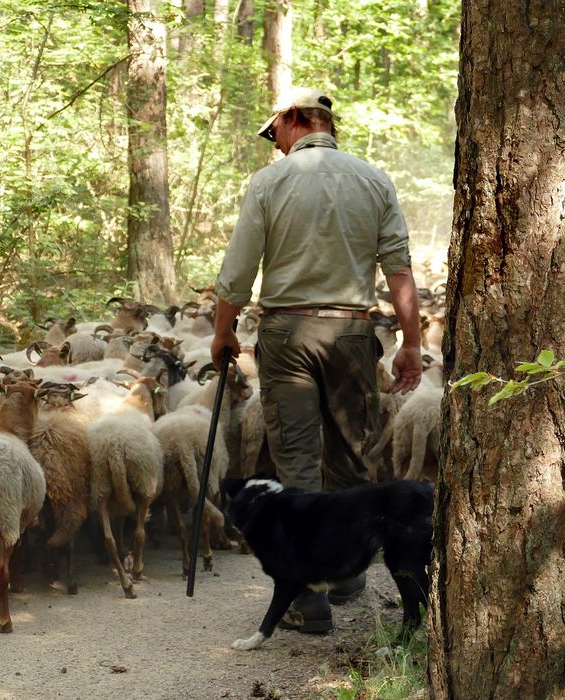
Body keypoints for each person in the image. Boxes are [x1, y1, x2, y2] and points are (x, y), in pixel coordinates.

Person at [210, 87, 422, 633]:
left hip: (287, 330)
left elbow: (239, 268)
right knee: (351, 454)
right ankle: (346, 577)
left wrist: (223, 329)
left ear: (295, 119)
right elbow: (398, 270)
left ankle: (309, 600)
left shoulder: (269, 183)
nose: (274, 144)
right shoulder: (373, 179)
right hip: (352, 331)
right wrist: (412, 343)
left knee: (295, 459)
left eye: (275, 132)